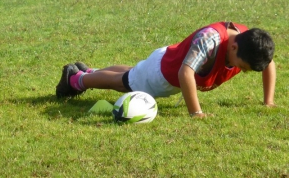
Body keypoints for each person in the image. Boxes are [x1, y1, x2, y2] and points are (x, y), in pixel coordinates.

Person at [56, 22, 276, 118]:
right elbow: (185, 73)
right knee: (124, 82)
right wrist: (196, 113)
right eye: (242, 67)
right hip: (162, 74)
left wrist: (268, 101)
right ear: (234, 46)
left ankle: (91, 71)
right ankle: (76, 79)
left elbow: (269, 63)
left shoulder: (249, 40)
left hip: (163, 61)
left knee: (133, 73)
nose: (240, 71)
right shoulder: (210, 40)